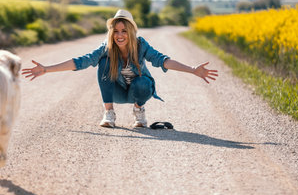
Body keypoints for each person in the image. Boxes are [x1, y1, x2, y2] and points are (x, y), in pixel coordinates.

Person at [22, 9, 218, 128]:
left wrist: (193, 70)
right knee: (104, 63)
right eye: (116, 31)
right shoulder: (107, 48)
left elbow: (163, 60)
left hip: (138, 91)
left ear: (131, 32)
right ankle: (109, 114)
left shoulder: (141, 45)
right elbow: (81, 61)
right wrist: (46, 69)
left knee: (143, 82)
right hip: (116, 92)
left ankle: (139, 111)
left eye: (124, 31)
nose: (120, 35)